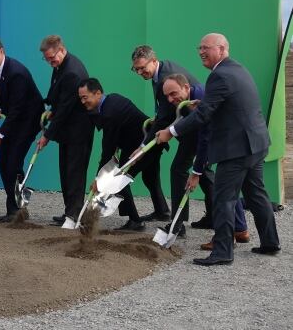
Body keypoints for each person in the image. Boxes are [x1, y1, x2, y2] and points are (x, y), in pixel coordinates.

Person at [157, 33, 280, 266]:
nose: (201, 52)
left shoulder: (219, 76)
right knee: (257, 195)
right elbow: (229, 103)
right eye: (199, 48)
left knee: (223, 198)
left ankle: (223, 251)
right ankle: (270, 242)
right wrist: (202, 103)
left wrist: (170, 132)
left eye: (206, 48)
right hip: (256, 143)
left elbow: (203, 117)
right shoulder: (237, 69)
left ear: (222, 49)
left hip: (236, 148)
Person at [160, 73, 250, 248]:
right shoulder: (189, 99)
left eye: (173, 93)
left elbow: (205, 138)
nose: (170, 99)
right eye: (167, 96)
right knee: (219, 183)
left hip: (225, 141)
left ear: (186, 87)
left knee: (222, 185)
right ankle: (240, 228)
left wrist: (196, 171)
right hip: (218, 139)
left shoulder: (202, 97)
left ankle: (228, 235)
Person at [130, 45, 202, 222]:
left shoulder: (164, 78)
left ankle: (178, 224)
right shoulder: (162, 69)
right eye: (136, 69)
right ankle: (207, 217)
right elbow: (165, 110)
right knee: (202, 172)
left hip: (193, 126)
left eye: (142, 67)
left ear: (154, 61)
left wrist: (142, 147)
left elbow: (165, 117)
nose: (139, 72)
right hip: (185, 124)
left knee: (183, 170)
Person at [0, 37, 44, 222]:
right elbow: (4, 96)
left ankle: (19, 210)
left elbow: (17, 109)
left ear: (1, 51)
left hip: (28, 122)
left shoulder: (16, 73)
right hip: (16, 120)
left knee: (13, 164)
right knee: (3, 163)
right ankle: (14, 209)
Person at [78, 78, 155, 230]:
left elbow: (107, 149)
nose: (82, 101)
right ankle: (162, 211)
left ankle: (136, 221)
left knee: (119, 179)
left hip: (144, 144)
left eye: (85, 97)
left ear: (98, 93)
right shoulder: (110, 99)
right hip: (137, 141)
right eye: (80, 98)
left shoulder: (109, 113)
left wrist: (98, 178)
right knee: (151, 177)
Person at [36, 35, 93, 225]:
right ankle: (70, 210)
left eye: (52, 57)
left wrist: (47, 136)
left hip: (78, 130)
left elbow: (66, 108)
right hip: (68, 130)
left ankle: (74, 214)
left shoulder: (72, 72)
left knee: (74, 172)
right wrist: (51, 111)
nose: (50, 62)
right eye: (46, 59)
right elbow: (59, 99)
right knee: (65, 171)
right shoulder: (61, 65)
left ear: (61, 49)